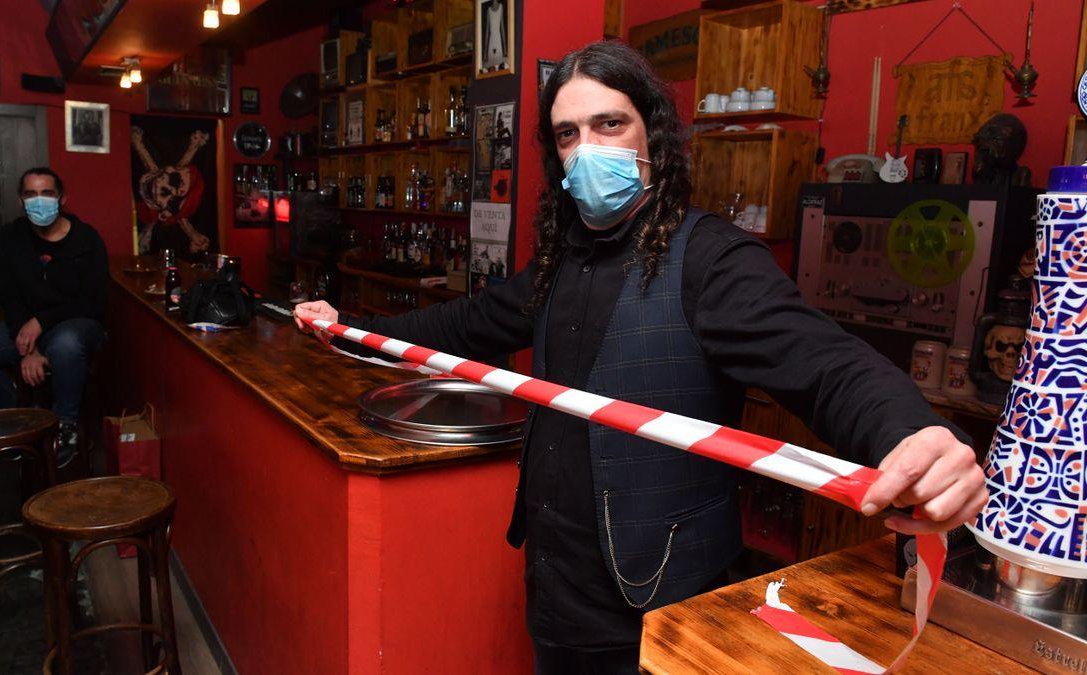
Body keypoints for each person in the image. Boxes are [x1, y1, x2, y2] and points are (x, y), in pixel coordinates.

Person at [295, 42, 986, 674]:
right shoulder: (560, 261)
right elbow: (466, 323)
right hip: (553, 583)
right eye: (568, 135)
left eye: (609, 124)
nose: (586, 148)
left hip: (662, 600)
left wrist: (911, 433)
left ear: (652, 134)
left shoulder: (712, 259)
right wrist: (347, 325)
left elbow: (826, 362)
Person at [0, 167, 108, 468]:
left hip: (77, 322)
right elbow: (8, 295)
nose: (39, 201)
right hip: (26, 325)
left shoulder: (86, 239)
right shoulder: (10, 237)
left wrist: (41, 321)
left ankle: (65, 426)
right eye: (30, 194)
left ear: (62, 198)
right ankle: (27, 418)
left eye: (47, 193)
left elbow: (94, 300)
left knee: (65, 345)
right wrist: (30, 349)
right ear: (20, 200)